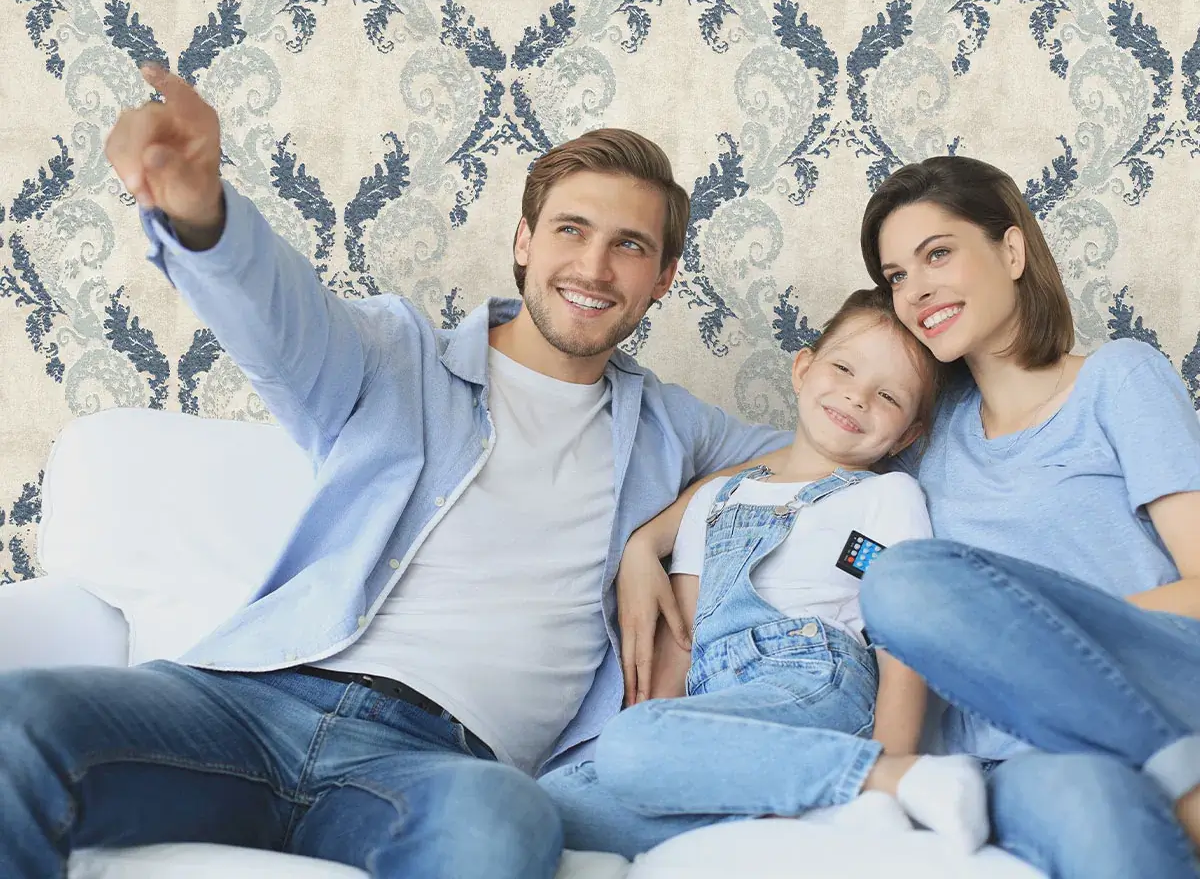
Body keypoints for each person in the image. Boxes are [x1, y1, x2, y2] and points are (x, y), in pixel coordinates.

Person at [0, 65, 791, 879]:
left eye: (629, 245)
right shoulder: (395, 354)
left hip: (435, 767)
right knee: (17, 718)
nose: (593, 268)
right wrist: (203, 213)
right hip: (250, 706)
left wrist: (653, 537)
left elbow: (823, 457)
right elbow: (279, 318)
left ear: (663, 278)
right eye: (571, 230)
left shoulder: (672, 430)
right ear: (524, 242)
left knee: (503, 828)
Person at [542, 287, 992, 857]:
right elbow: (683, 639)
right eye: (844, 369)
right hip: (717, 707)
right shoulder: (714, 500)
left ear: (907, 435)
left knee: (629, 746)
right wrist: (657, 742)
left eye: (887, 396)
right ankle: (802, 811)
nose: (856, 397)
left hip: (812, 683)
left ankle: (876, 783)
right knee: (548, 806)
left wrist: (896, 768)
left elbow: (900, 646)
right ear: (803, 369)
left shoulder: (884, 497)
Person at [853, 155, 1200, 879]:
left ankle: (1178, 772)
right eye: (896, 277)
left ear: (1011, 251)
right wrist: (652, 537)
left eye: (937, 254)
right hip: (1014, 754)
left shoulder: (1118, 378)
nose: (915, 291)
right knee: (1093, 811)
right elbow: (796, 453)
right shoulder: (923, 437)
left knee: (909, 580)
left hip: (1160, 685)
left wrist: (1032, 638)